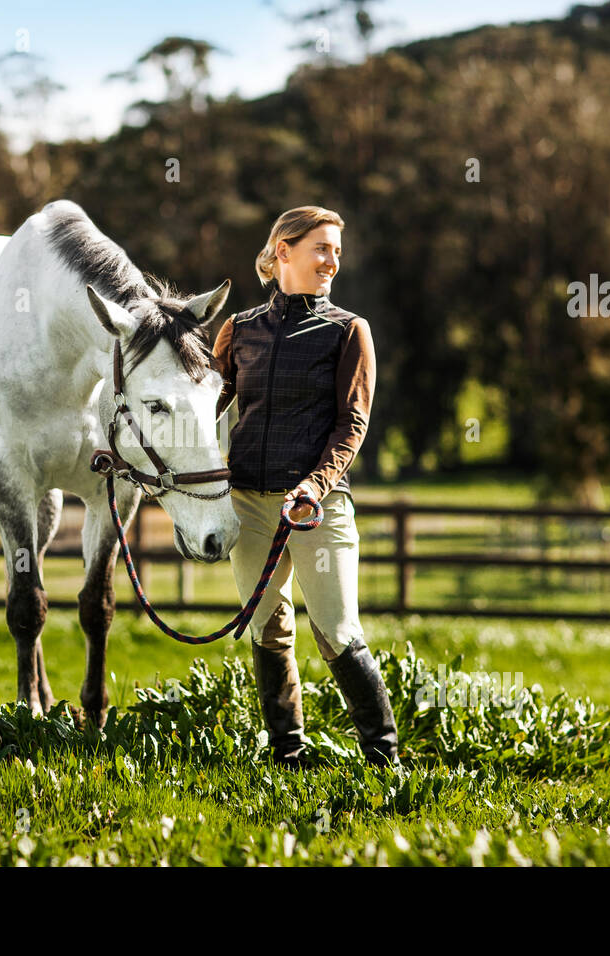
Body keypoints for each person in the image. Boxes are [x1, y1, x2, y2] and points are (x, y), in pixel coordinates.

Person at [212, 205, 398, 769]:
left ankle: (384, 760)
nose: (332, 260)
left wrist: (315, 486)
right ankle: (288, 755)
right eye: (322, 247)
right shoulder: (239, 330)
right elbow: (203, 410)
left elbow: (352, 423)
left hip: (317, 506)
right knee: (266, 630)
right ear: (283, 250)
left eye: (337, 250)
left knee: (338, 630)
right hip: (248, 504)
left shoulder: (348, 331)